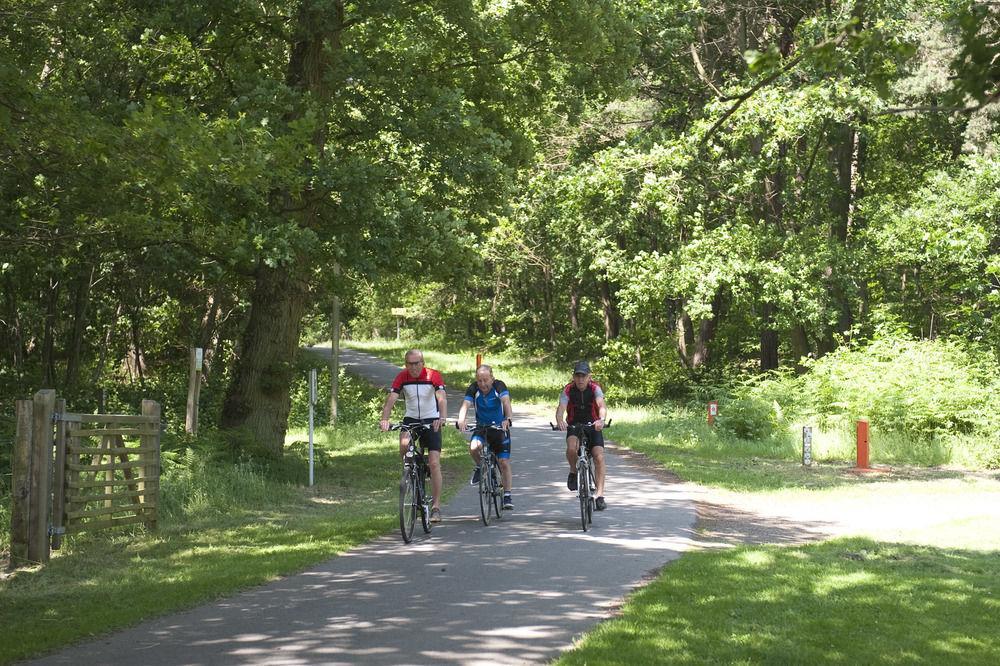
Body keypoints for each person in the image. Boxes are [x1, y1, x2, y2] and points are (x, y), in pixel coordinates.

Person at [380, 349, 448, 522]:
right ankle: (409, 471)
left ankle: (436, 507)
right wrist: (385, 419)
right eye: (410, 364)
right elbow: (391, 399)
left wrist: (442, 417)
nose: (414, 367)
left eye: (417, 363)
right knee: (404, 443)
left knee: (434, 463)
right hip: (411, 418)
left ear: (423, 363)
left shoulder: (433, 375)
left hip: (432, 419)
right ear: (406, 364)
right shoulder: (402, 376)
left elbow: (441, 397)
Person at [456, 365, 514, 510]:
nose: (482, 384)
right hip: (482, 428)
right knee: (474, 447)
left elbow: (506, 402)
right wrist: (461, 420)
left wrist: (508, 418)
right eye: (479, 380)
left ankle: (507, 495)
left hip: (500, 428)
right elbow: (465, 405)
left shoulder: (499, 386)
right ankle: (480, 466)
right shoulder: (474, 388)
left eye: (485, 380)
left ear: (492, 378)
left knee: (504, 462)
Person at [554, 360, 609, 511]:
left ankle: (600, 495)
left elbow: (602, 406)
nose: (580, 379)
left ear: (589, 377)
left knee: (599, 456)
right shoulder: (568, 390)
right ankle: (573, 471)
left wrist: (601, 420)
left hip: (593, 425)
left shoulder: (595, 388)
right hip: (574, 425)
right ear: (573, 377)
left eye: (583, 376)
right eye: (577, 376)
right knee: (572, 448)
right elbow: (561, 408)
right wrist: (560, 421)